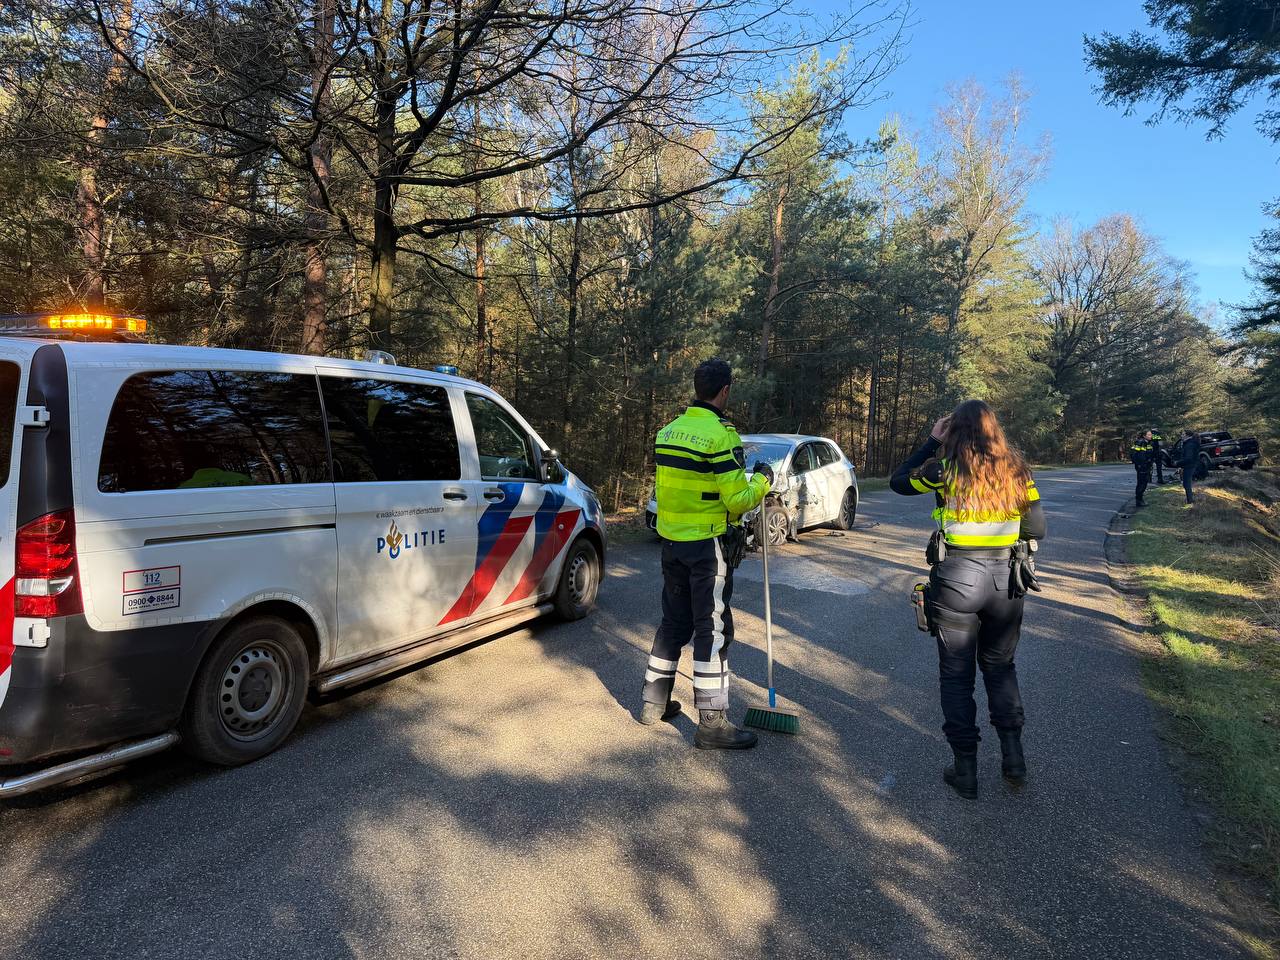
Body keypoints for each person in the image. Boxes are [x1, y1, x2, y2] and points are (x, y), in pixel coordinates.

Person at [891, 400, 1046, 799]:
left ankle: (966, 771)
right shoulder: (1017, 472)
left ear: (954, 431)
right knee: (1000, 667)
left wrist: (930, 441)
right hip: (1005, 583)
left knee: (956, 678)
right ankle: (1014, 761)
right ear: (995, 430)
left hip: (957, 579)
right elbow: (1038, 527)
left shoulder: (943, 471)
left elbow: (898, 481)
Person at [639, 358, 773, 750]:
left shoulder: (668, 432)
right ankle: (712, 723)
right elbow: (737, 502)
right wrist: (763, 480)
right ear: (725, 390)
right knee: (711, 631)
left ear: (696, 387)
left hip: (671, 543)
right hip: (707, 546)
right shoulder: (721, 436)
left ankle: (653, 702)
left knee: (672, 624)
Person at [1130, 430, 1154, 507]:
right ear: (1144, 436)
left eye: (1151, 434)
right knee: (1141, 483)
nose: (1151, 436)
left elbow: (1149, 454)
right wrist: (1138, 464)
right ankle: (1138, 501)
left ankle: (1140, 499)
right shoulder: (1139, 442)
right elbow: (1133, 454)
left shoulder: (1148, 443)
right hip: (1141, 466)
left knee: (1145, 483)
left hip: (1147, 466)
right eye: (1149, 435)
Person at [1179, 428, 1202, 504]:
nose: (1181, 436)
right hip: (1189, 465)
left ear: (1187, 436)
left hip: (1190, 466)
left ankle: (1190, 501)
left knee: (1187, 483)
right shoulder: (1188, 443)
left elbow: (1188, 458)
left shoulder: (1190, 444)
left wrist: (1178, 463)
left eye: (1183, 434)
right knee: (1186, 483)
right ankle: (1190, 499)